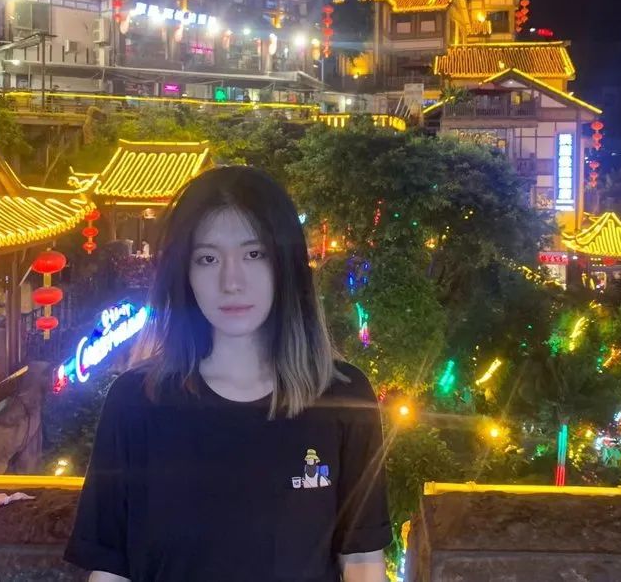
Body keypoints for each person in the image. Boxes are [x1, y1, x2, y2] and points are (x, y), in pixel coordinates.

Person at [65, 166, 391, 582]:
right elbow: (110, 570)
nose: (231, 282)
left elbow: (361, 560)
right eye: (208, 259)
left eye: (254, 254)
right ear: (185, 274)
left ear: (287, 265)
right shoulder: (136, 401)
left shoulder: (343, 398)